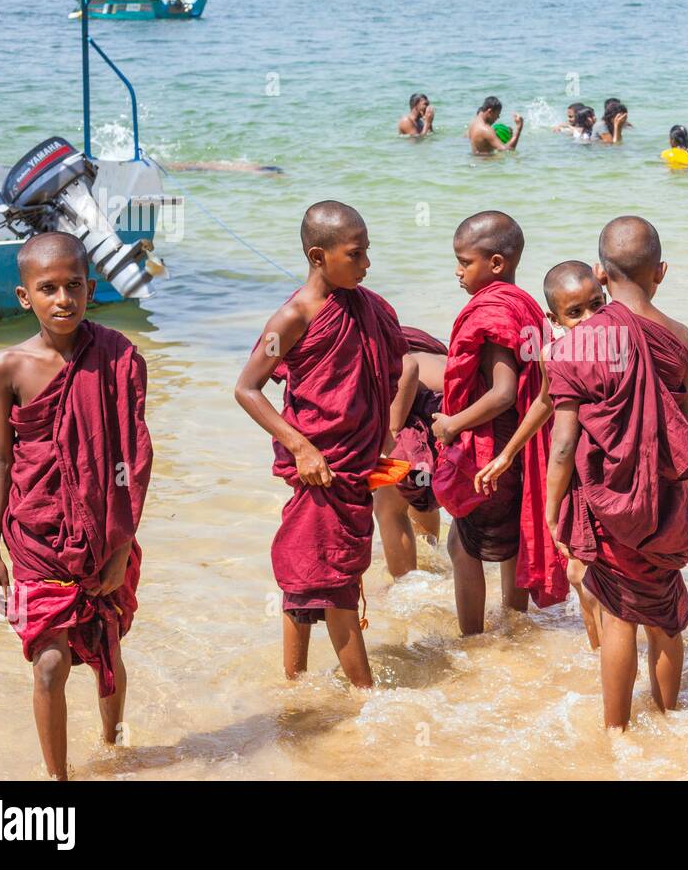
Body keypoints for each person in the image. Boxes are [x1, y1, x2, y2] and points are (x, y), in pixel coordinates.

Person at [0, 233, 152, 779]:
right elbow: (1, 461)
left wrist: (121, 547)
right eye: (47, 288)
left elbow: (132, 457)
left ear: (91, 288)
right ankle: (57, 779)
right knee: (50, 666)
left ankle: (115, 750)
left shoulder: (119, 358)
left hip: (104, 535)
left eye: (73, 286)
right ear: (23, 295)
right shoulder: (7, 367)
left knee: (106, 647)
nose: (63, 299)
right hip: (35, 539)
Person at [234, 201, 416, 687]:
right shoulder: (291, 319)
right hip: (320, 469)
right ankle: (366, 698)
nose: (366, 264)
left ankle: (292, 686)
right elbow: (247, 388)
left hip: (356, 466)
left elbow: (390, 370)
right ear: (319, 256)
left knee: (313, 579)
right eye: (355, 255)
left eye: (367, 253)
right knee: (332, 585)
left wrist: (385, 436)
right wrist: (301, 447)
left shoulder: (371, 308)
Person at [547, 217, 688, 729]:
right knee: (663, 618)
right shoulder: (680, 338)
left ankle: (616, 735)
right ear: (661, 272)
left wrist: (552, 509)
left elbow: (565, 442)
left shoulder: (578, 344)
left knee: (617, 617)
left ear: (600, 272)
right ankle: (670, 721)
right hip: (662, 504)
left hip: (607, 504)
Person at [432, 211, 568, 634]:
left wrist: (452, 424)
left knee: (461, 545)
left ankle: (471, 637)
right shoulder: (525, 304)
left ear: (496, 263)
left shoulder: (492, 312)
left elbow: (502, 393)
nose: (457, 271)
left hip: (493, 446)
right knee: (513, 544)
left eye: (464, 261)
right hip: (522, 445)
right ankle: (515, 627)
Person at [474, 260, 608, 651]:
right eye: (575, 313)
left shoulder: (621, 345)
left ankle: (615, 655)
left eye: (597, 305)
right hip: (579, 476)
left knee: (602, 574)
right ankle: (601, 653)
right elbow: (545, 402)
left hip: (611, 471)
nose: (589, 319)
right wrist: (507, 454)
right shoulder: (555, 354)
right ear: (554, 318)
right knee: (581, 573)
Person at [375, 326, 449, 577]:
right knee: (420, 488)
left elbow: (407, 368)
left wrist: (393, 438)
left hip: (438, 416)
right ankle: (431, 561)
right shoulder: (424, 349)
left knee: (387, 503)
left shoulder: (388, 354)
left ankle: (408, 584)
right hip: (462, 419)